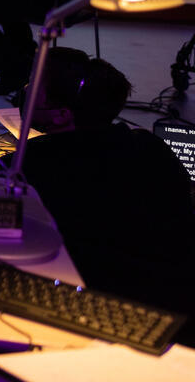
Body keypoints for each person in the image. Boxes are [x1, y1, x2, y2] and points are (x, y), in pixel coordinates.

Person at [23, 48, 195, 341]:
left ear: (62, 115)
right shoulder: (151, 147)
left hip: (99, 316)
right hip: (177, 311)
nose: (24, 92)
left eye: (33, 90)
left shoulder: (37, 162)